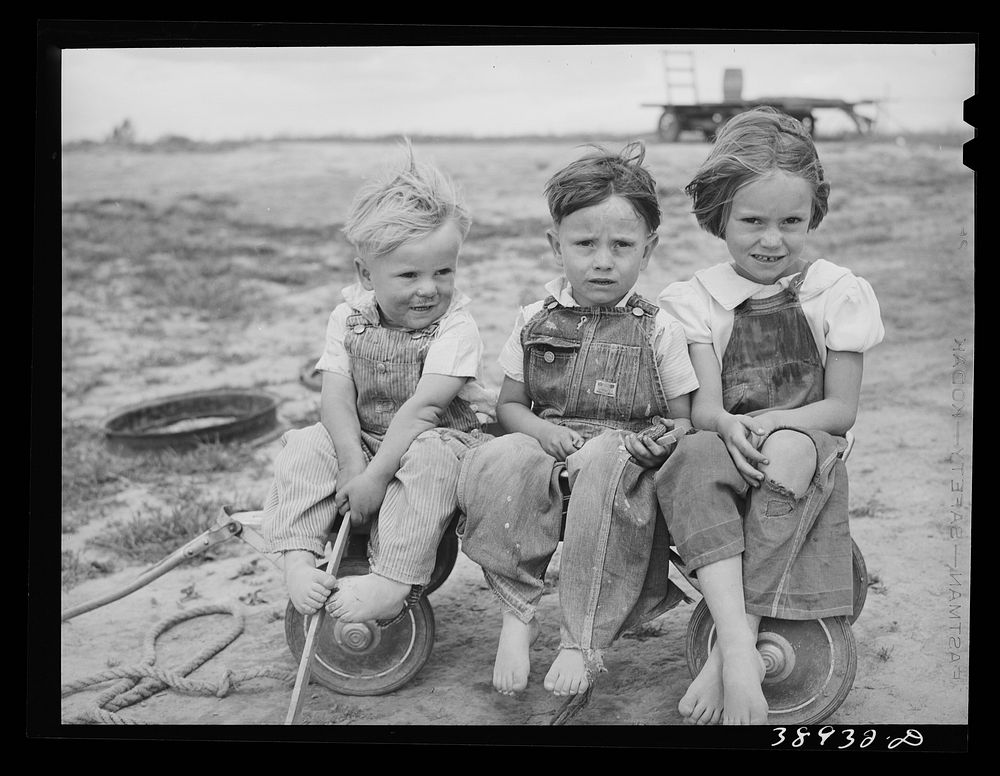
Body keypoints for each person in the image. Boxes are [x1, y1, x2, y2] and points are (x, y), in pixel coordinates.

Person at [655, 106, 885, 724]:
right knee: (692, 457)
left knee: (786, 450)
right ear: (718, 215)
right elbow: (706, 408)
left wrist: (778, 423)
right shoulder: (697, 300)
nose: (771, 240)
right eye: (751, 221)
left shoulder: (835, 291)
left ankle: (731, 650)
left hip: (806, 438)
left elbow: (839, 410)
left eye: (792, 221)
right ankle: (736, 644)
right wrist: (730, 424)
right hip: (732, 436)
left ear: (814, 215)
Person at [458, 142, 699, 700]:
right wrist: (540, 432)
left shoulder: (659, 328)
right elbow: (510, 408)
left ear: (649, 249)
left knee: (606, 463)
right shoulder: (534, 320)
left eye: (622, 245)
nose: (603, 260)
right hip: (551, 446)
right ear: (555, 246)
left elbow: (682, 419)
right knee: (501, 454)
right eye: (585, 244)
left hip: (621, 457)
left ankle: (580, 638)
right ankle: (518, 613)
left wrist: (655, 438)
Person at [262, 142, 494, 624]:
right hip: (366, 443)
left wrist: (374, 477)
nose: (429, 288)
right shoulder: (348, 317)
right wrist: (352, 464)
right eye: (409, 274)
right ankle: (299, 560)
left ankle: (393, 577)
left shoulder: (456, 326)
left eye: (443, 271)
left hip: (439, 439)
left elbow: (426, 410)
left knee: (430, 457)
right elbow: (336, 396)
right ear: (366, 274)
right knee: (305, 445)